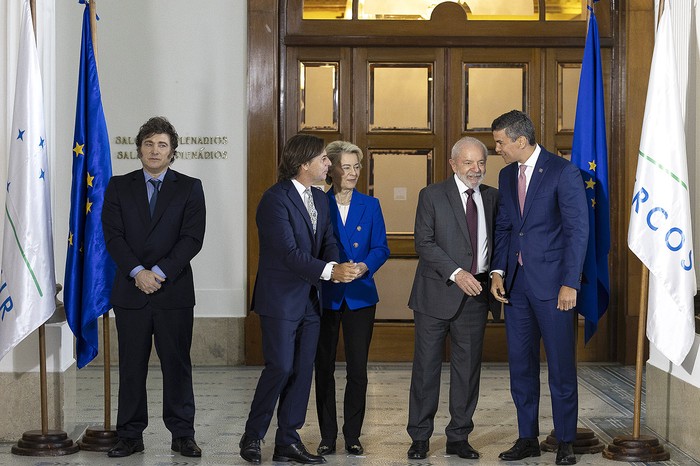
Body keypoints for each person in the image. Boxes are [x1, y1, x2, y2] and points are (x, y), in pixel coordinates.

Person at [239, 134, 359, 465]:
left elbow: (329, 241)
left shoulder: (322, 200)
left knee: (303, 371)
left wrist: (337, 265)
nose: (329, 164)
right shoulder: (274, 200)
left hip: (311, 301)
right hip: (279, 301)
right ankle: (252, 436)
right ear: (303, 164)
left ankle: (287, 442)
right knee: (280, 367)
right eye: (323, 159)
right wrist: (330, 272)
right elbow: (288, 254)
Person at [101, 116, 205, 458]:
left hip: (172, 291)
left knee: (177, 364)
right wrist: (137, 272)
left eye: (161, 144)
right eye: (148, 144)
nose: (154, 150)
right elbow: (113, 236)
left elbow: (192, 238)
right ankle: (129, 435)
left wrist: (158, 272)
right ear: (139, 149)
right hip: (131, 291)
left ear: (172, 151)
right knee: (131, 366)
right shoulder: (118, 186)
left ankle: (182, 435)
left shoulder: (190, 187)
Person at [489, 110, 588, 466]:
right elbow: (504, 227)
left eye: (500, 142)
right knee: (521, 368)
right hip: (516, 290)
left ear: (520, 140)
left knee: (561, 368)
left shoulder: (564, 172)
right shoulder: (505, 175)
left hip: (555, 288)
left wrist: (569, 283)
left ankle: (565, 442)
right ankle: (527, 438)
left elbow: (578, 232)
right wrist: (497, 271)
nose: (496, 148)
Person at [406, 137, 499, 460]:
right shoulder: (432, 195)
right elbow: (424, 242)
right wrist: (457, 273)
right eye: (469, 163)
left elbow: (499, 242)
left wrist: (496, 272)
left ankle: (459, 437)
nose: (476, 170)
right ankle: (419, 437)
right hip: (435, 295)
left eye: (481, 163)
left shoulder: (493, 198)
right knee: (426, 370)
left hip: (476, 299)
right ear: (453, 164)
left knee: (467, 371)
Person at [314, 141, 390, 457]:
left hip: (360, 296)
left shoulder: (370, 205)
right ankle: (328, 436)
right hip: (327, 296)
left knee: (357, 368)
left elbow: (381, 248)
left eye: (356, 167)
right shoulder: (318, 203)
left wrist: (365, 265)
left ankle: (353, 435)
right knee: (324, 367)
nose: (353, 173)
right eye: (346, 167)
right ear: (330, 169)